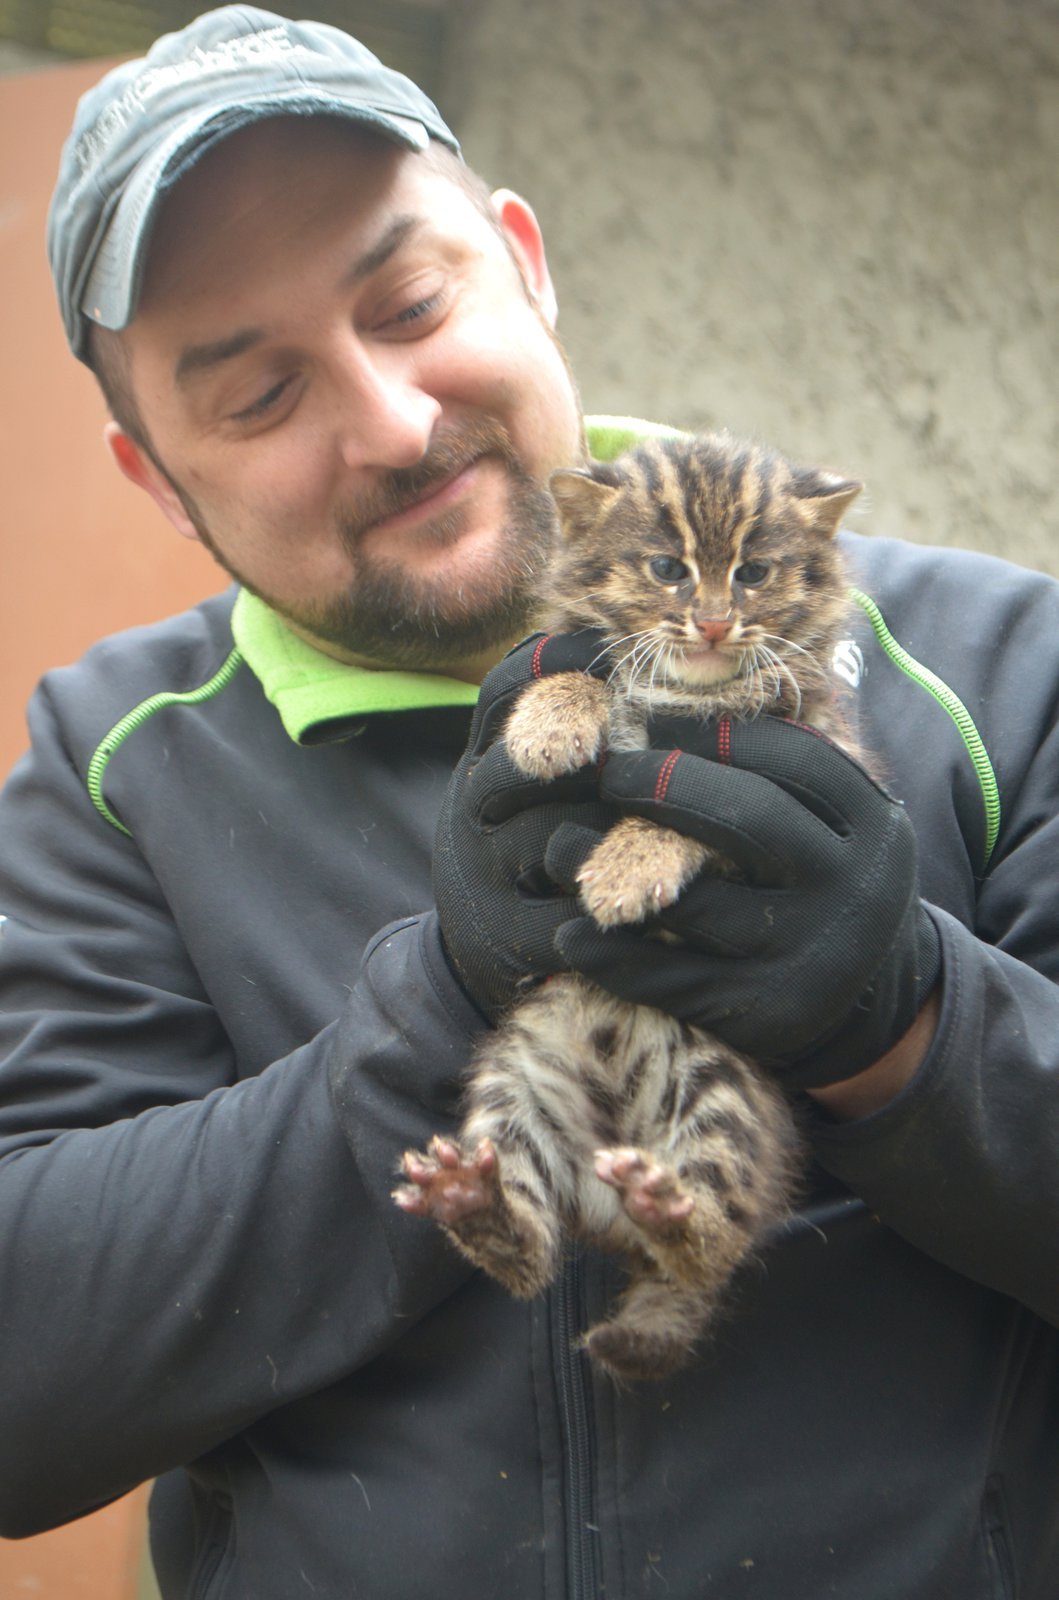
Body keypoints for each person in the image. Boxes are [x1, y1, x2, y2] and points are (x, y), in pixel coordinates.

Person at [1, 7, 1057, 1596]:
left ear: (522, 259)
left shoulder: (994, 661)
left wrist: (909, 1026)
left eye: (410, 301)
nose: (393, 420)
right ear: (157, 476)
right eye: (257, 395)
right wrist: (437, 1013)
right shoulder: (113, 769)